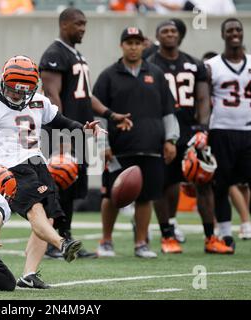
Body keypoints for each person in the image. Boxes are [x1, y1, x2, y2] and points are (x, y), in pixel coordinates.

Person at [0, 55, 124, 288]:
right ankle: (61, 244)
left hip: (38, 165)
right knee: (35, 211)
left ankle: (28, 274)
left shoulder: (39, 102)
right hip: (12, 169)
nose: (18, 95)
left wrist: (83, 128)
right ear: (3, 82)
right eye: (14, 90)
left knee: (49, 216)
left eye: (24, 91)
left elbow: (60, 121)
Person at [39, 7, 132, 259]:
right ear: (64, 25)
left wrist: (111, 114)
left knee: (71, 190)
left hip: (80, 132)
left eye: (85, 24)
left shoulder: (77, 55)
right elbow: (52, 96)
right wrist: (62, 137)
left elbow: (85, 96)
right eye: (78, 24)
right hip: (63, 134)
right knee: (56, 188)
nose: (83, 28)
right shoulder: (54, 54)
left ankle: (64, 238)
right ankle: (50, 242)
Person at [147, 20, 233, 254]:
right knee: (164, 183)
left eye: (173, 31)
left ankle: (210, 237)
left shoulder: (194, 64)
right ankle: (167, 235)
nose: (170, 34)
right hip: (162, 131)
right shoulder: (150, 64)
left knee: (204, 182)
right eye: (164, 31)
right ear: (158, 36)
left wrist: (203, 128)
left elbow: (204, 99)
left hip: (189, 130)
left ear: (180, 36)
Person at [94, 27, 179, 258]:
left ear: (144, 45)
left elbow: (168, 111)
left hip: (151, 148)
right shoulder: (108, 76)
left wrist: (171, 139)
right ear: (121, 45)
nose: (133, 47)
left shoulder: (157, 74)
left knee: (146, 196)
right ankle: (106, 241)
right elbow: (98, 115)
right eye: (128, 42)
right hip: (118, 150)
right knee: (110, 196)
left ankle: (141, 243)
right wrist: (103, 145)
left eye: (137, 42)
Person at [205, 18, 251, 252]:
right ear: (223, 35)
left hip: (248, 130)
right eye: (230, 30)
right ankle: (225, 234)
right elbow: (204, 101)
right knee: (221, 185)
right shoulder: (212, 66)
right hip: (221, 130)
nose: (234, 33)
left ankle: (244, 224)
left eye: (238, 29)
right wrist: (202, 130)